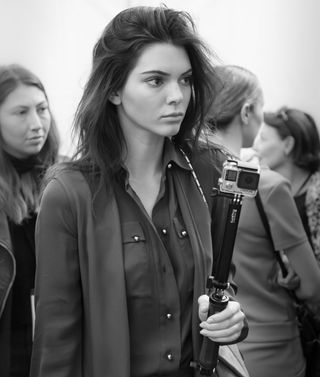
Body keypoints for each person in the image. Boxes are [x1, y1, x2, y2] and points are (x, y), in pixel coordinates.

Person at [30, 6, 249, 377]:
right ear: (114, 89)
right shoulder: (69, 195)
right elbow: (55, 346)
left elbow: (225, 285)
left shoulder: (208, 170)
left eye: (185, 80)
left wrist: (230, 317)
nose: (178, 96)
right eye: (155, 80)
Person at [205, 64, 320, 377]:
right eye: (261, 109)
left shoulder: (186, 183)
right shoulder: (266, 185)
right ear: (246, 111)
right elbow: (312, 287)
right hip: (273, 350)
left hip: (213, 350)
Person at [0, 64, 60, 377]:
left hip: (55, 346)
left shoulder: (67, 180)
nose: (37, 123)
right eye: (21, 112)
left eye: (42, 108)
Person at [253, 107, 320, 266]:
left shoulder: (316, 195)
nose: (256, 147)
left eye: (263, 138)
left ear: (288, 144)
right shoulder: (272, 191)